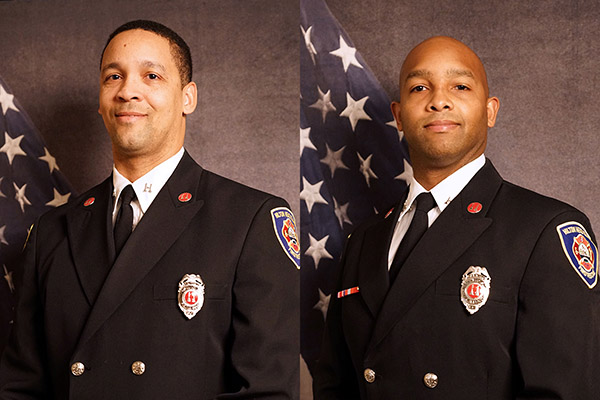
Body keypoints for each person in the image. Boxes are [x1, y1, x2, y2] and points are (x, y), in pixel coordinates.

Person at [0, 20, 299, 399]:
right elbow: (19, 387)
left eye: (152, 75)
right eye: (113, 77)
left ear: (187, 97)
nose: (128, 91)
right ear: (101, 99)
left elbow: (269, 391)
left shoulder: (250, 220)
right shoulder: (51, 232)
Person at [313, 36, 599, 399]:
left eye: (460, 86)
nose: (438, 100)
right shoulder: (362, 241)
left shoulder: (544, 230)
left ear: (490, 111)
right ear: (399, 116)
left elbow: (565, 391)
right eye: (420, 88)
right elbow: (333, 385)